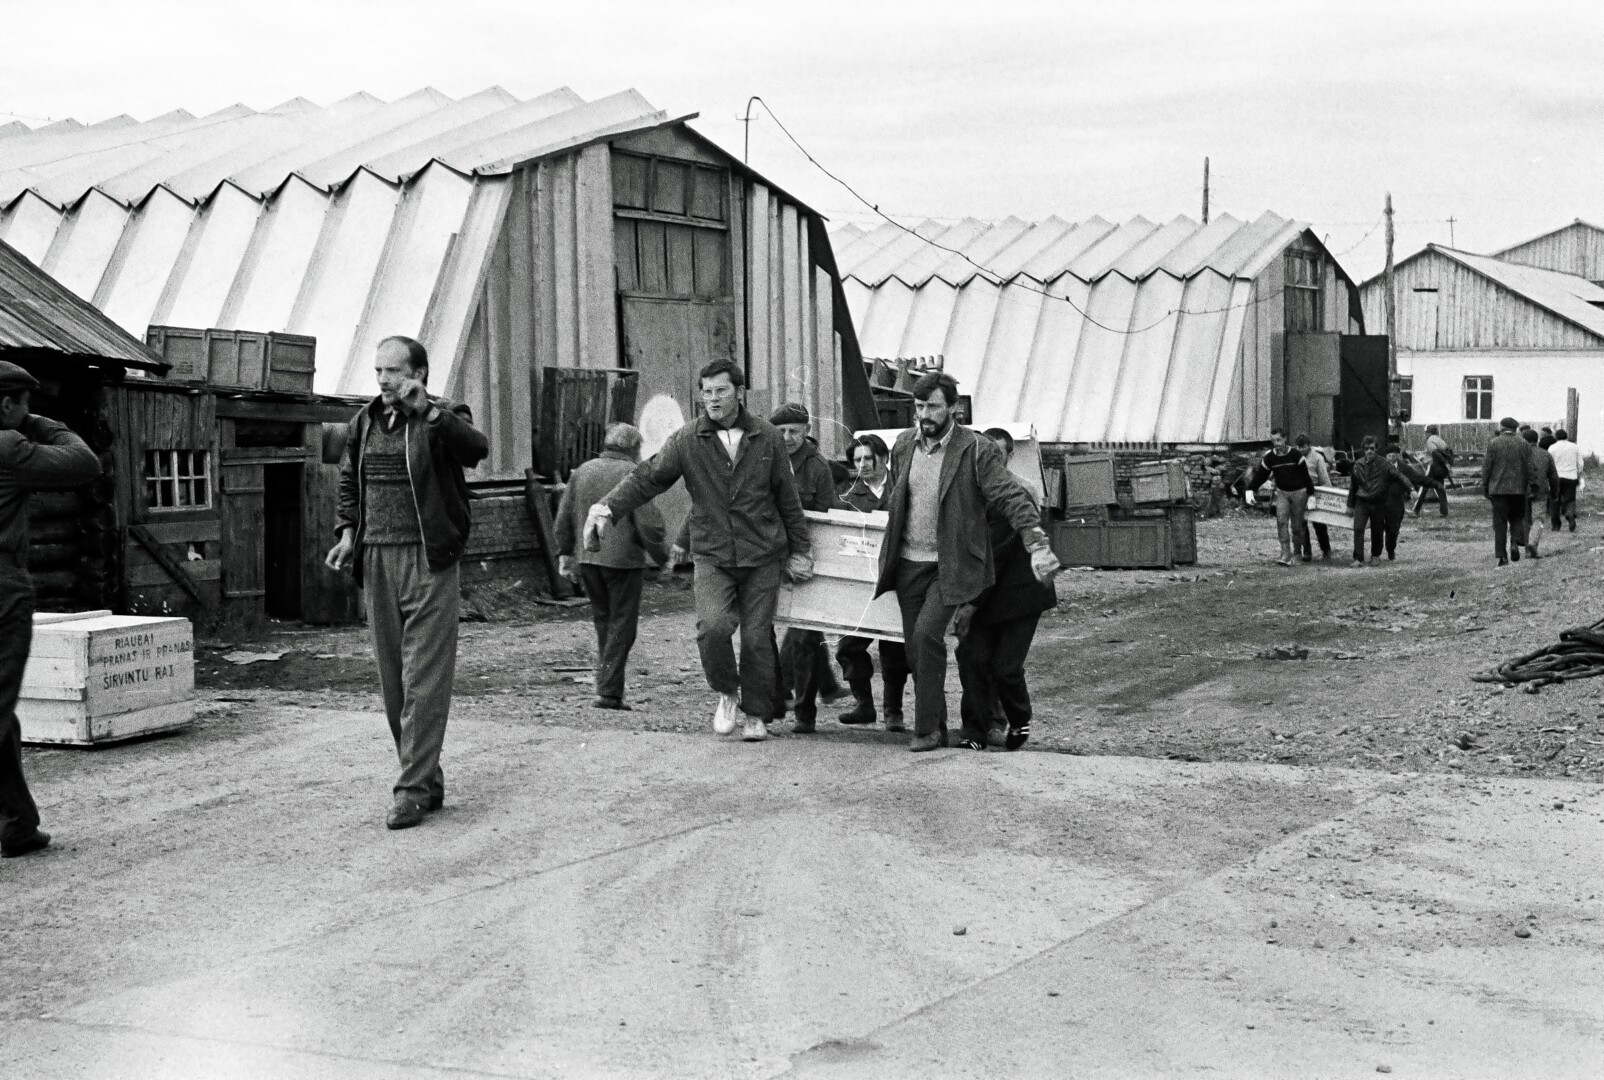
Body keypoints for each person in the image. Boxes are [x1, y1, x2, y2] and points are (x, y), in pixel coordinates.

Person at [586, 359, 812, 743]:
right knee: (712, 628)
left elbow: (787, 498)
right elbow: (648, 478)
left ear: (739, 393)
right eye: (707, 392)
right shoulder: (688, 439)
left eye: (721, 391)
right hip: (712, 554)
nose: (713, 399)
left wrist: (800, 549)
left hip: (762, 553)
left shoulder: (768, 437)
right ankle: (727, 692)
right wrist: (608, 506)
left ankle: (756, 715)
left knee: (757, 638)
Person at [328, 336, 488, 830]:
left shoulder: (445, 415)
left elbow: (476, 450)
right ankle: (427, 777)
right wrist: (348, 534)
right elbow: (350, 482)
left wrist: (432, 414)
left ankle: (411, 791)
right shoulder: (364, 420)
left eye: (393, 371)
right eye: (378, 370)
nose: (383, 379)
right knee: (394, 681)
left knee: (425, 678)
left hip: (429, 558)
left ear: (418, 373)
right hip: (376, 557)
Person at [873, 373, 1058, 752]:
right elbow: (895, 500)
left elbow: (1010, 495)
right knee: (914, 648)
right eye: (919, 406)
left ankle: (927, 731)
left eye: (933, 407)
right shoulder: (904, 444)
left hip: (951, 565)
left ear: (953, 408)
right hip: (908, 563)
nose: (924, 414)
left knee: (927, 635)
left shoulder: (975, 449)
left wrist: (1036, 541)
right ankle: (937, 724)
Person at [0, 364, 100, 859]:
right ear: (6, 404)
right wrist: (37, 422)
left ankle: (18, 824)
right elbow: (85, 463)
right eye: (23, 402)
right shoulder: (8, 446)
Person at [953, 428, 1057, 752]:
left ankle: (1019, 720)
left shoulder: (1012, 494)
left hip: (1020, 595)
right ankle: (974, 731)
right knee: (973, 659)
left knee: (1006, 668)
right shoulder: (965, 492)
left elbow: (994, 556)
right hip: (986, 594)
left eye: (995, 455)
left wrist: (969, 605)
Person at [554, 423, 668, 711]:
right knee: (623, 625)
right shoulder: (634, 473)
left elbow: (563, 517)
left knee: (603, 622)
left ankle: (607, 685)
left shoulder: (582, 471)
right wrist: (663, 558)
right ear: (634, 447)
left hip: (588, 559)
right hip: (622, 562)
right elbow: (648, 524)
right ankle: (609, 691)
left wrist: (566, 552)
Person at [770, 402, 846, 734]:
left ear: (807, 432)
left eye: (794, 431)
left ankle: (802, 710)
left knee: (803, 635)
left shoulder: (817, 467)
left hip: (805, 557)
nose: (787, 437)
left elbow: (827, 517)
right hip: (770, 555)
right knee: (773, 632)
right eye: (781, 431)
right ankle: (801, 696)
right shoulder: (764, 457)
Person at [835, 434, 909, 731]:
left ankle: (894, 711)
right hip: (860, 582)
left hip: (897, 578)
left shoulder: (904, 486)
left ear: (884, 458)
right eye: (857, 460)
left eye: (869, 458)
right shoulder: (847, 495)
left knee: (895, 650)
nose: (863, 464)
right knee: (848, 645)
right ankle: (863, 704)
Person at [1245, 428, 1312, 566]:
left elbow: (1306, 475)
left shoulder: (1295, 455)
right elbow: (1261, 475)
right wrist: (1250, 489)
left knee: (1297, 526)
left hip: (1299, 493)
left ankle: (1297, 553)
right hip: (1282, 492)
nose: (1276, 443)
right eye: (1273, 441)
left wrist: (1311, 494)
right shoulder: (1270, 458)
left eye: (1279, 440)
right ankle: (1285, 553)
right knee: (1281, 521)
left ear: (1285, 439)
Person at [1481, 417, 1532, 567]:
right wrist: (1533, 485)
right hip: (1518, 489)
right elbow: (1531, 467)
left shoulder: (1494, 443)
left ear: (1502, 427)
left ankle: (1502, 556)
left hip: (1498, 490)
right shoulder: (1524, 443)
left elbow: (1487, 467)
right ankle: (1515, 542)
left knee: (1500, 522)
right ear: (1516, 428)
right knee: (1517, 517)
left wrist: (1485, 486)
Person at [1346, 435, 1403, 565]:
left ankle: (1376, 555)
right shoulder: (1358, 464)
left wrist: (1411, 489)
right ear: (1363, 449)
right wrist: (1350, 505)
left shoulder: (1384, 464)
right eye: (1366, 448)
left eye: (1372, 448)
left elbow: (1399, 476)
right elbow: (1353, 486)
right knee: (1358, 528)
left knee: (1377, 530)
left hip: (1378, 501)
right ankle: (1358, 558)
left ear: (1376, 449)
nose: (1369, 451)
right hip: (1362, 501)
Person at [1521, 427, 1560, 560]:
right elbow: (1553, 476)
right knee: (1538, 519)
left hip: (1522, 491)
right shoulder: (1546, 454)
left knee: (1525, 520)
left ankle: (1527, 551)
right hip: (1540, 491)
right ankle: (1533, 543)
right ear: (1537, 440)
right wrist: (1555, 492)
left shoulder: (1518, 455)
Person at [1382, 441, 1423, 560]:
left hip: (1396, 501)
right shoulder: (1380, 466)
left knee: (1393, 528)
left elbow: (1415, 478)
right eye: (1389, 455)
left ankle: (1390, 549)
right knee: (1378, 527)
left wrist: (1412, 491)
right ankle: (1376, 553)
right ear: (1386, 456)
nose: (1391, 458)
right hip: (1381, 500)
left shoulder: (1404, 468)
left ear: (1398, 456)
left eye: (1394, 455)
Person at [1295, 435, 1333, 561]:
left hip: (1315, 493)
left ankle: (1326, 549)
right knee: (1301, 524)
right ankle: (1307, 552)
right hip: (1299, 493)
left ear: (1309, 445)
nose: (1301, 450)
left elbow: (1324, 478)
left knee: (1319, 523)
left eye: (1303, 447)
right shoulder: (1294, 457)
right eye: (1299, 447)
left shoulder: (1317, 457)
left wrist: (1327, 495)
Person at [1413, 425, 1453, 517]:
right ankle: (1444, 511)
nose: (1425, 434)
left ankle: (1415, 510)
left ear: (1429, 433)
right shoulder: (1440, 440)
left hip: (1432, 466)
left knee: (1424, 487)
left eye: (1426, 432)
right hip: (1440, 468)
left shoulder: (1430, 440)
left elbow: (1435, 453)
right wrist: (1446, 464)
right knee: (1440, 488)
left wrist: (1446, 463)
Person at [1548, 428, 1582, 532]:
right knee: (1570, 499)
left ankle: (1556, 525)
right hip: (1571, 477)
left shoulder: (1552, 447)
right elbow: (1580, 463)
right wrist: (1578, 473)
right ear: (1567, 436)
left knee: (1555, 500)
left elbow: (1549, 463)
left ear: (1556, 437)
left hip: (1556, 477)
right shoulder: (1574, 447)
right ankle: (1570, 515)